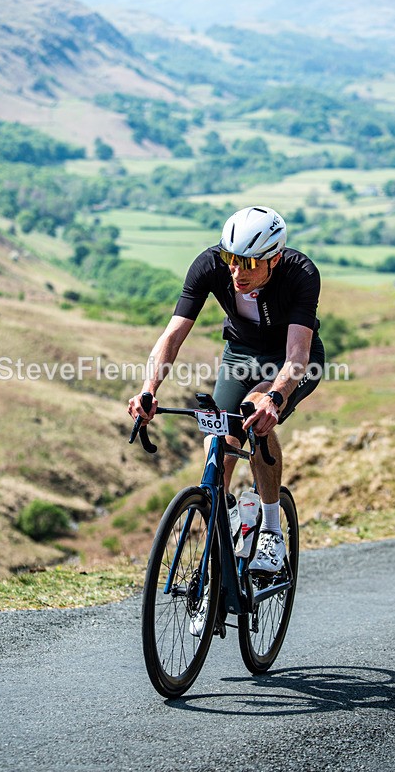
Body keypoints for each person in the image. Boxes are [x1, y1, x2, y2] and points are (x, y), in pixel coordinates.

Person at [128, 206, 325, 574]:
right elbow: (173, 334)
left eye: (248, 263)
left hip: (289, 358)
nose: (236, 271)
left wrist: (275, 398)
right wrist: (148, 389)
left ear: (275, 259)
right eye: (231, 259)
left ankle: (270, 530)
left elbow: (297, 355)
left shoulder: (301, 273)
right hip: (240, 354)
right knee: (218, 438)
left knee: (254, 413)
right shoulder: (209, 265)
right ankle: (230, 517)